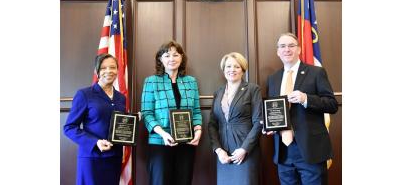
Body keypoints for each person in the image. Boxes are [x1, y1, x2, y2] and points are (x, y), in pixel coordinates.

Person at [263, 32, 338, 185]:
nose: (287, 49)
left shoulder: (316, 72)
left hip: (311, 150)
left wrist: (306, 99)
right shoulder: (273, 79)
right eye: (282, 46)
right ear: (278, 52)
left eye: (291, 45)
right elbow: (274, 109)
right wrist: (269, 126)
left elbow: (332, 104)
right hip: (283, 152)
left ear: (299, 49)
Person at [141, 40, 203, 185]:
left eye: (176, 55)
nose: (172, 59)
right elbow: (147, 113)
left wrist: (198, 131)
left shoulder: (191, 81)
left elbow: (197, 111)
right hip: (160, 143)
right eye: (167, 55)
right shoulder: (151, 81)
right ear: (160, 59)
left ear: (182, 58)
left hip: (187, 143)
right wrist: (163, 133)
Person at [64, 53, 127, 185]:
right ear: (96, 71)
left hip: (114, 158)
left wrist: (131, 122)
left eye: (112, 67)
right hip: (91, 158)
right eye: (103, 68)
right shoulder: (84, 94)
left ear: (117, 70)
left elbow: (120, 125)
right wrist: (95, 142)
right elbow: (69, 128)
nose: (108, 71)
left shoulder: (121, 97)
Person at [208, 52, 262, 185]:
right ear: (223, 69)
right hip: (224, 154)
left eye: (236, 67)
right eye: (228, 66)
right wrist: (218, 150)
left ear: (243, 70)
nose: (232, 70)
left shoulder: (252, 89)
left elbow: (258, 122)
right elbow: (212, 124)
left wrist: (244, 149)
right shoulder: (218, 92)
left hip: (245, 151)